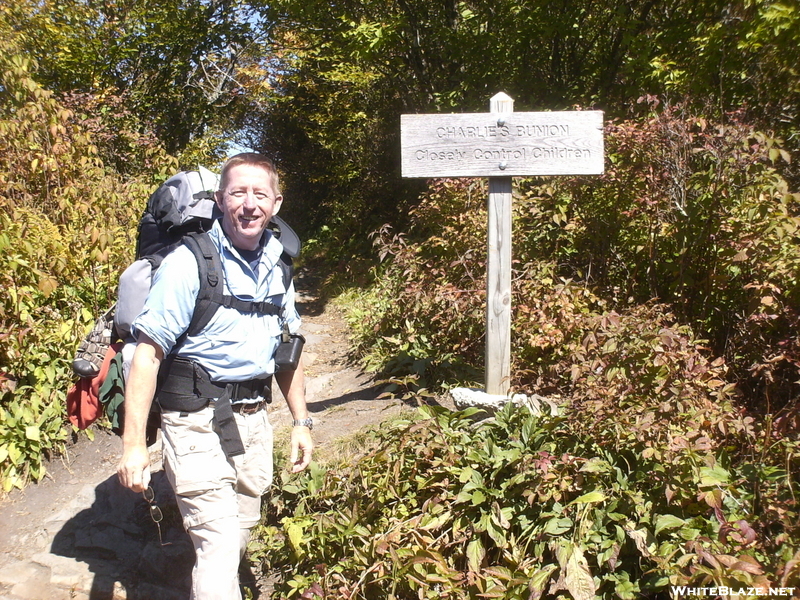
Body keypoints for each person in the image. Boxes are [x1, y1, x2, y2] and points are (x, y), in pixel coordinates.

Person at [117, 153, 313, 600]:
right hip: (193, 422)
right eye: (238, 193)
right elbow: (147, 354)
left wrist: (301, 423)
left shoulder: (279, 265)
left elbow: (290, 349)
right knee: (220, 546)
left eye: (259, 194)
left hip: (252, 421)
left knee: (240, 530)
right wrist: (134, 446)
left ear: (276, 203)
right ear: (221, 200)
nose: (249, 204)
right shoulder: (190, 262)